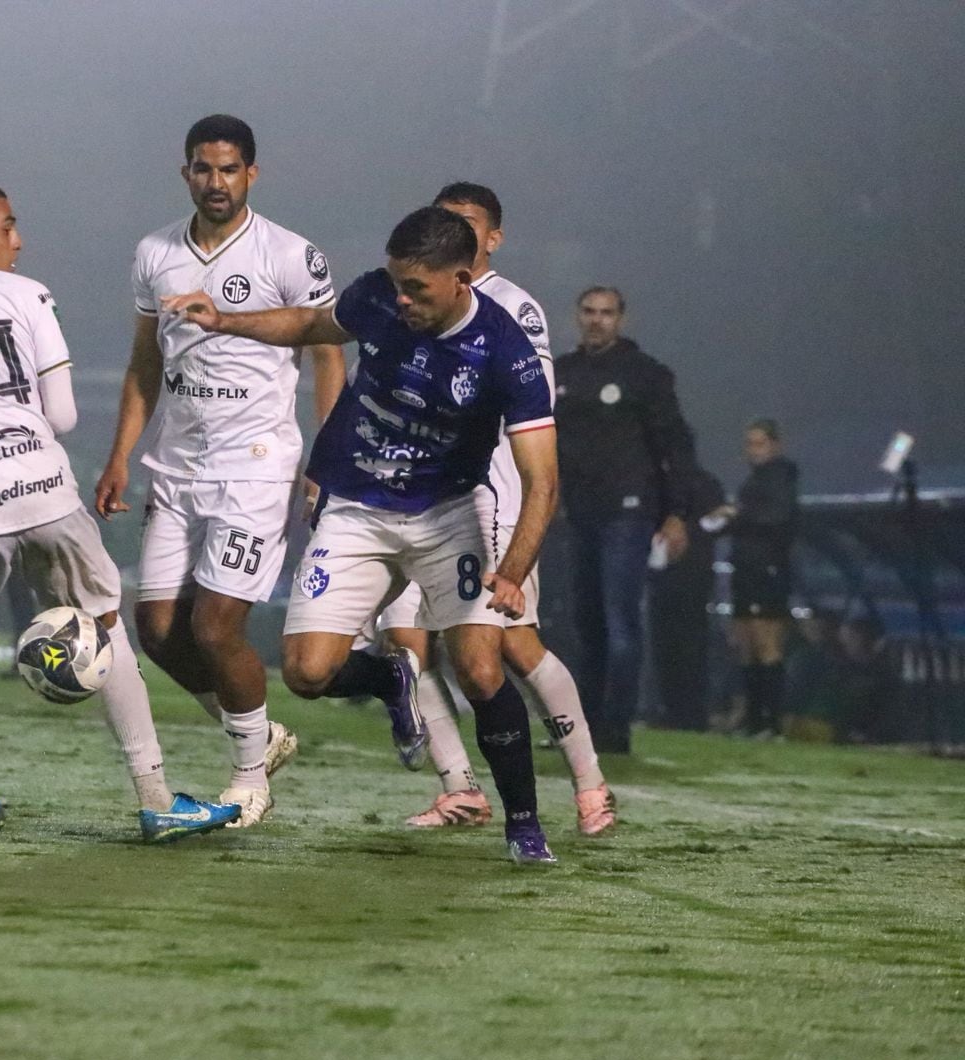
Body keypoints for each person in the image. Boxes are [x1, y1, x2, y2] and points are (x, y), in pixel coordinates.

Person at [166, 204, 562, 864]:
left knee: (480, 667)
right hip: (356, 506)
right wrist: (225, 320)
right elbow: (312, 323)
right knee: (306, 673)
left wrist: (513, 573)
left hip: (448, 514)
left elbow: (542, 480)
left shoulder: (506, 352)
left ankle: (524, 826)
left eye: (418, 289)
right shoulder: (378, 296)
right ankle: (385, 676)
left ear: (462, 278)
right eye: (396, 283)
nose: (401, 299)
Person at [0, 177, 240, 843]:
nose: (19, 239)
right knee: (107, 626)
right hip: (47, 489)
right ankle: (157, 799)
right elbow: (59, 415)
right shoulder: (28, 295)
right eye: (7, 225)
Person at [94, 115, 346, 827]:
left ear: (251, 175)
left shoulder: (290, 255)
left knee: (215, 626)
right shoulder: (154, 252)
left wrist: (327, 452)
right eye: (203, 169)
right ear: (186, 174)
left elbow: (329, 351)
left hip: (257, 467)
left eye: (229, 169)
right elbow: (147, 360)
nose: (215, 182)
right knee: (156, 628)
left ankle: (248, 780)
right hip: (176, 467)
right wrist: (119, 455)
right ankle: (262, 737)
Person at [367, 182, 615, 835]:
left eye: (468, 224)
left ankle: (590, 784)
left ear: (493, 238)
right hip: (413, 502)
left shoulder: (513, 310)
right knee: (403, 642)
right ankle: (462, 787)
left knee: (506, 650)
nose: (455, 232)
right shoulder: (414, 302)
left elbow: (527, 405)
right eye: (444, 221)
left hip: (491, 502)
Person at [554, 286, 697, 754]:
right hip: (579, 513)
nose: (597, 320)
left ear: (622, 319)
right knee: (586, 625)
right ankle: (585, 726)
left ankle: (615, 729)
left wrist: (677, 513)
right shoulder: (562, 373)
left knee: (620, 623)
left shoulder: (646, 375)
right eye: (590, 312)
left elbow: (676, 445)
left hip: (629, 512)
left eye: (607, 313)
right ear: (577, 316)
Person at [703, 418, 799, 737]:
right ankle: (754, 718)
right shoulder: (753, 482)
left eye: (759, 443)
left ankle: (773, 722)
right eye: (749, 443)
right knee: (745, 643)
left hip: (767, 570)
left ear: (774, 445)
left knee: (766, 642)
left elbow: (776, 517)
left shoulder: (783, 475)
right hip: (745, 570)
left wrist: (737, 515)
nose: (752, 450)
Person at [649, 465, 726, 732]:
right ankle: (677, 711)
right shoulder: (692, 482)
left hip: (689, 576)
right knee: (670, 644)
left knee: (686, 644)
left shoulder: (697, 483)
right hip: (674, 576)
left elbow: (716, 524)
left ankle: (688, 713)